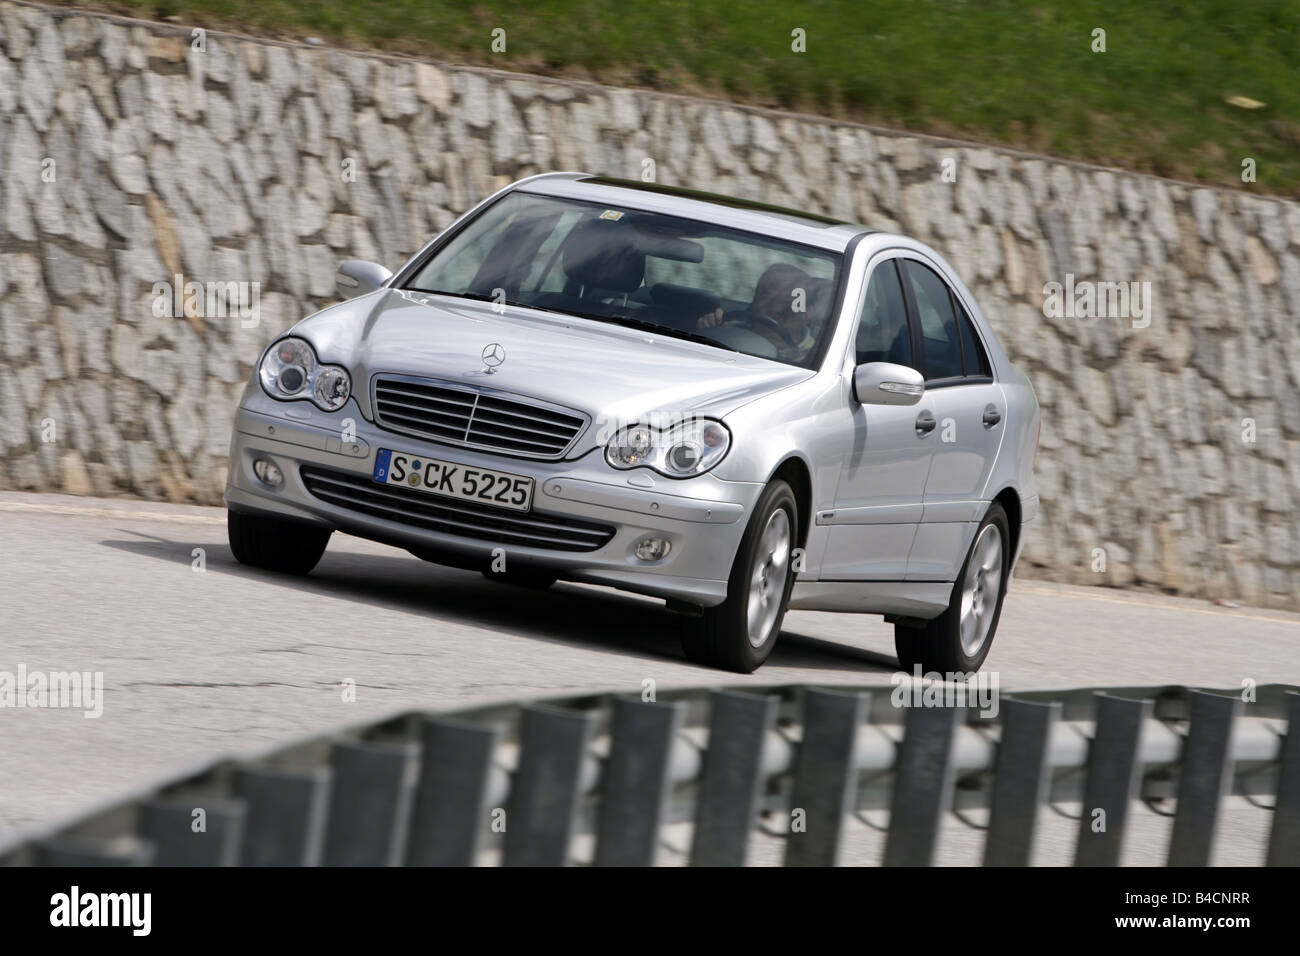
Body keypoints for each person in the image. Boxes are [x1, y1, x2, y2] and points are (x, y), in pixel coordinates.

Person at [696, 263, 822, 361]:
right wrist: (709, 334)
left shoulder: (818, 356)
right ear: (754, 301)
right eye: (766, 295)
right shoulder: (733, 333)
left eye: (789, 301)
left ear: (807, 312)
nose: (775, 308)